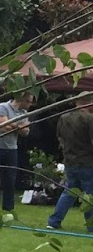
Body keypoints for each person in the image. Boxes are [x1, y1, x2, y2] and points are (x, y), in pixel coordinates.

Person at [46, 95, 93, 232]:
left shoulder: (64, 118)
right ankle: (91, 225)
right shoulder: (90, 119)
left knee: (69, 192)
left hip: (70, 161)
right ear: (89, 103)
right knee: (89, 194)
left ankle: (53, 221)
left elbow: (60, 138)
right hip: (87, 162)